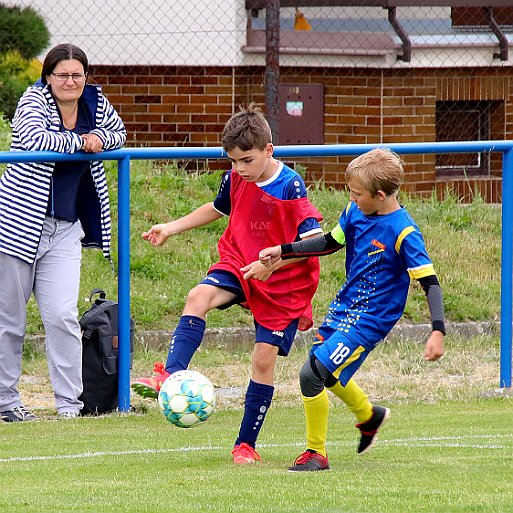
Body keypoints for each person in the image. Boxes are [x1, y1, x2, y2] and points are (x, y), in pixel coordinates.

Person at [131, 103, 323, 464]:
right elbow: (218, 208)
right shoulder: (234, 178)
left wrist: (276, 262)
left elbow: (314, 241)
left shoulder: (290, 184)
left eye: (246, 160)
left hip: (284, 280)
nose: (239, 169)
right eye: (233, 161)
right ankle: (169, 376)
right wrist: (170, 227)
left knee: (262, 360)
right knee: (198, 296)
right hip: (239, 260)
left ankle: (245, 445)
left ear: (269, 150)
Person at [258, 148, 445, 471]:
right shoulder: (355, 212)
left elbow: (430, 283)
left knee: (312, 373)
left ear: (381, 194)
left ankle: (316, 453)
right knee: (325, 373)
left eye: (358, 194)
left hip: (371, 319)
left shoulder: (404, 232)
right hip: (344, 306)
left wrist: (438, 330)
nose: (353, 199)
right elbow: (330, 242)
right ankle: (369, 415)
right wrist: (284, 251)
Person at [0, 43, 126, 422]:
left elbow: (119, 133)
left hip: (65, 229)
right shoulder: (33, 99)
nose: (70, 81)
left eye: (77, 74)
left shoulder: (95, 101)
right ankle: (6, 404)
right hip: (18, 226)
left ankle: (68, 407)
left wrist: (100, 139)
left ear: (86, 76)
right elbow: (36, 140)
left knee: (62, 316)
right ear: (48, 77)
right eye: (62, 74)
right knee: (10, 321)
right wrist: (84, 143)